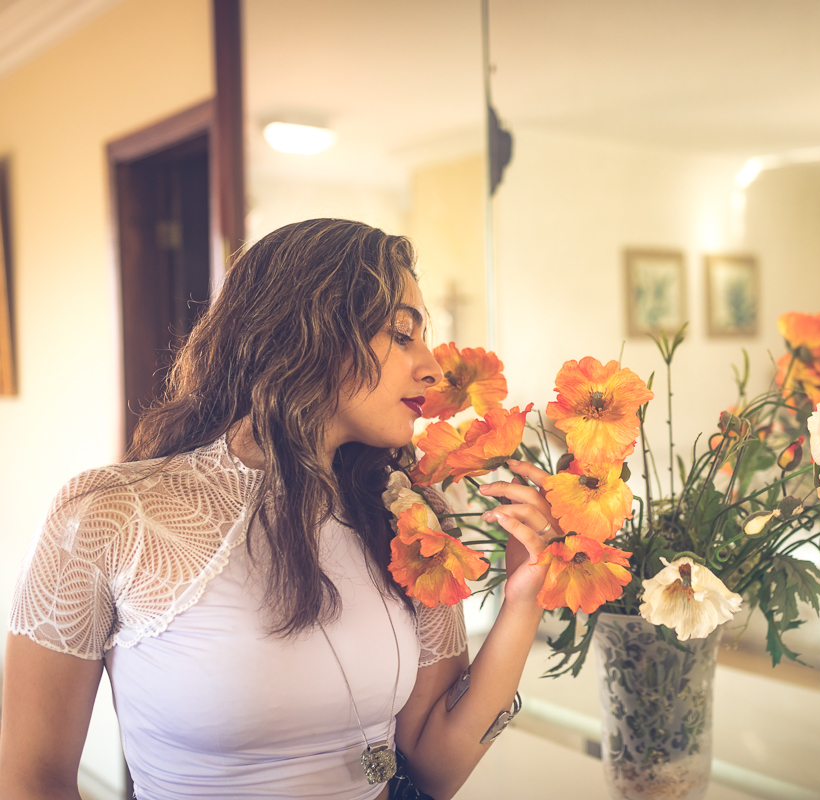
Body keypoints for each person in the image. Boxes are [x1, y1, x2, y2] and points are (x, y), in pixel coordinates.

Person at [0, 219, 561, 799]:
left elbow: (436, 770)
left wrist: (523, 598)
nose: (432, 368)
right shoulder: (106, 516)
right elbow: (31, 778)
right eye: (400, 334)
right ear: (305, 331)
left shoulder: (411, 516)